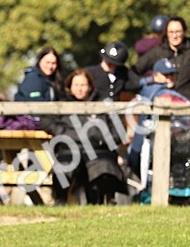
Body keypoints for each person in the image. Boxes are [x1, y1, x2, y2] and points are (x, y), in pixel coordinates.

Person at [127, 58, 190, 199]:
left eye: (172, 75)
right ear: (156, 76)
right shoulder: (162, 93)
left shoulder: (151, 90)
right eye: (165, 75)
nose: (170, 78)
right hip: (161, 148)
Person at [41, 69, 126, 204]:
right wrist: (63, 132)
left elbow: (118, 132)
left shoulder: (103, 104)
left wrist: (97, 136)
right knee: (63, 166)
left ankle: (102, 203)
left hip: (99, 150)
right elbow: (45, 121)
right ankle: (60, 203)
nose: (79, 89)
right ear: (69, 87)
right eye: (76, 85)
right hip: (69, 150)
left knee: (104, 167)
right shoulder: (61, 105)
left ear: (90, 86)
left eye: (83, 85)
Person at [133, 16, 190, 100]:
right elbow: (134, 71)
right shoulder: (156, 52)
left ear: (184, 32)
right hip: (161, 104)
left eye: (178, 32)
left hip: (187, 103)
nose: (174, 36)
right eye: (171, 32)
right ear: (166, 33)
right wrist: (149, 83)